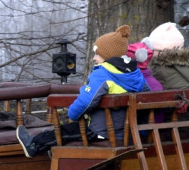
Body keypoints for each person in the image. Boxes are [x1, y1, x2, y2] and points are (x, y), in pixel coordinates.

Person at [16, 25, 148, 158]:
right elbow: (147, 95)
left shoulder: (102, 73)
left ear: (108, 55)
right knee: (66, 132)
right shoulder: (136, 73)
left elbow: (86, 101)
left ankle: (33, 145)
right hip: (128, 132)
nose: (94, 58)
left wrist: (72, 114)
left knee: (66, 131)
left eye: (97, 54)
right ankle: (47, 141)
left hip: (102, 131)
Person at [143, 22, 189, 90]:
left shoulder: (162, 68)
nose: (150, 52)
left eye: (153, 50)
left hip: (174, 102)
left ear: (161, 50)